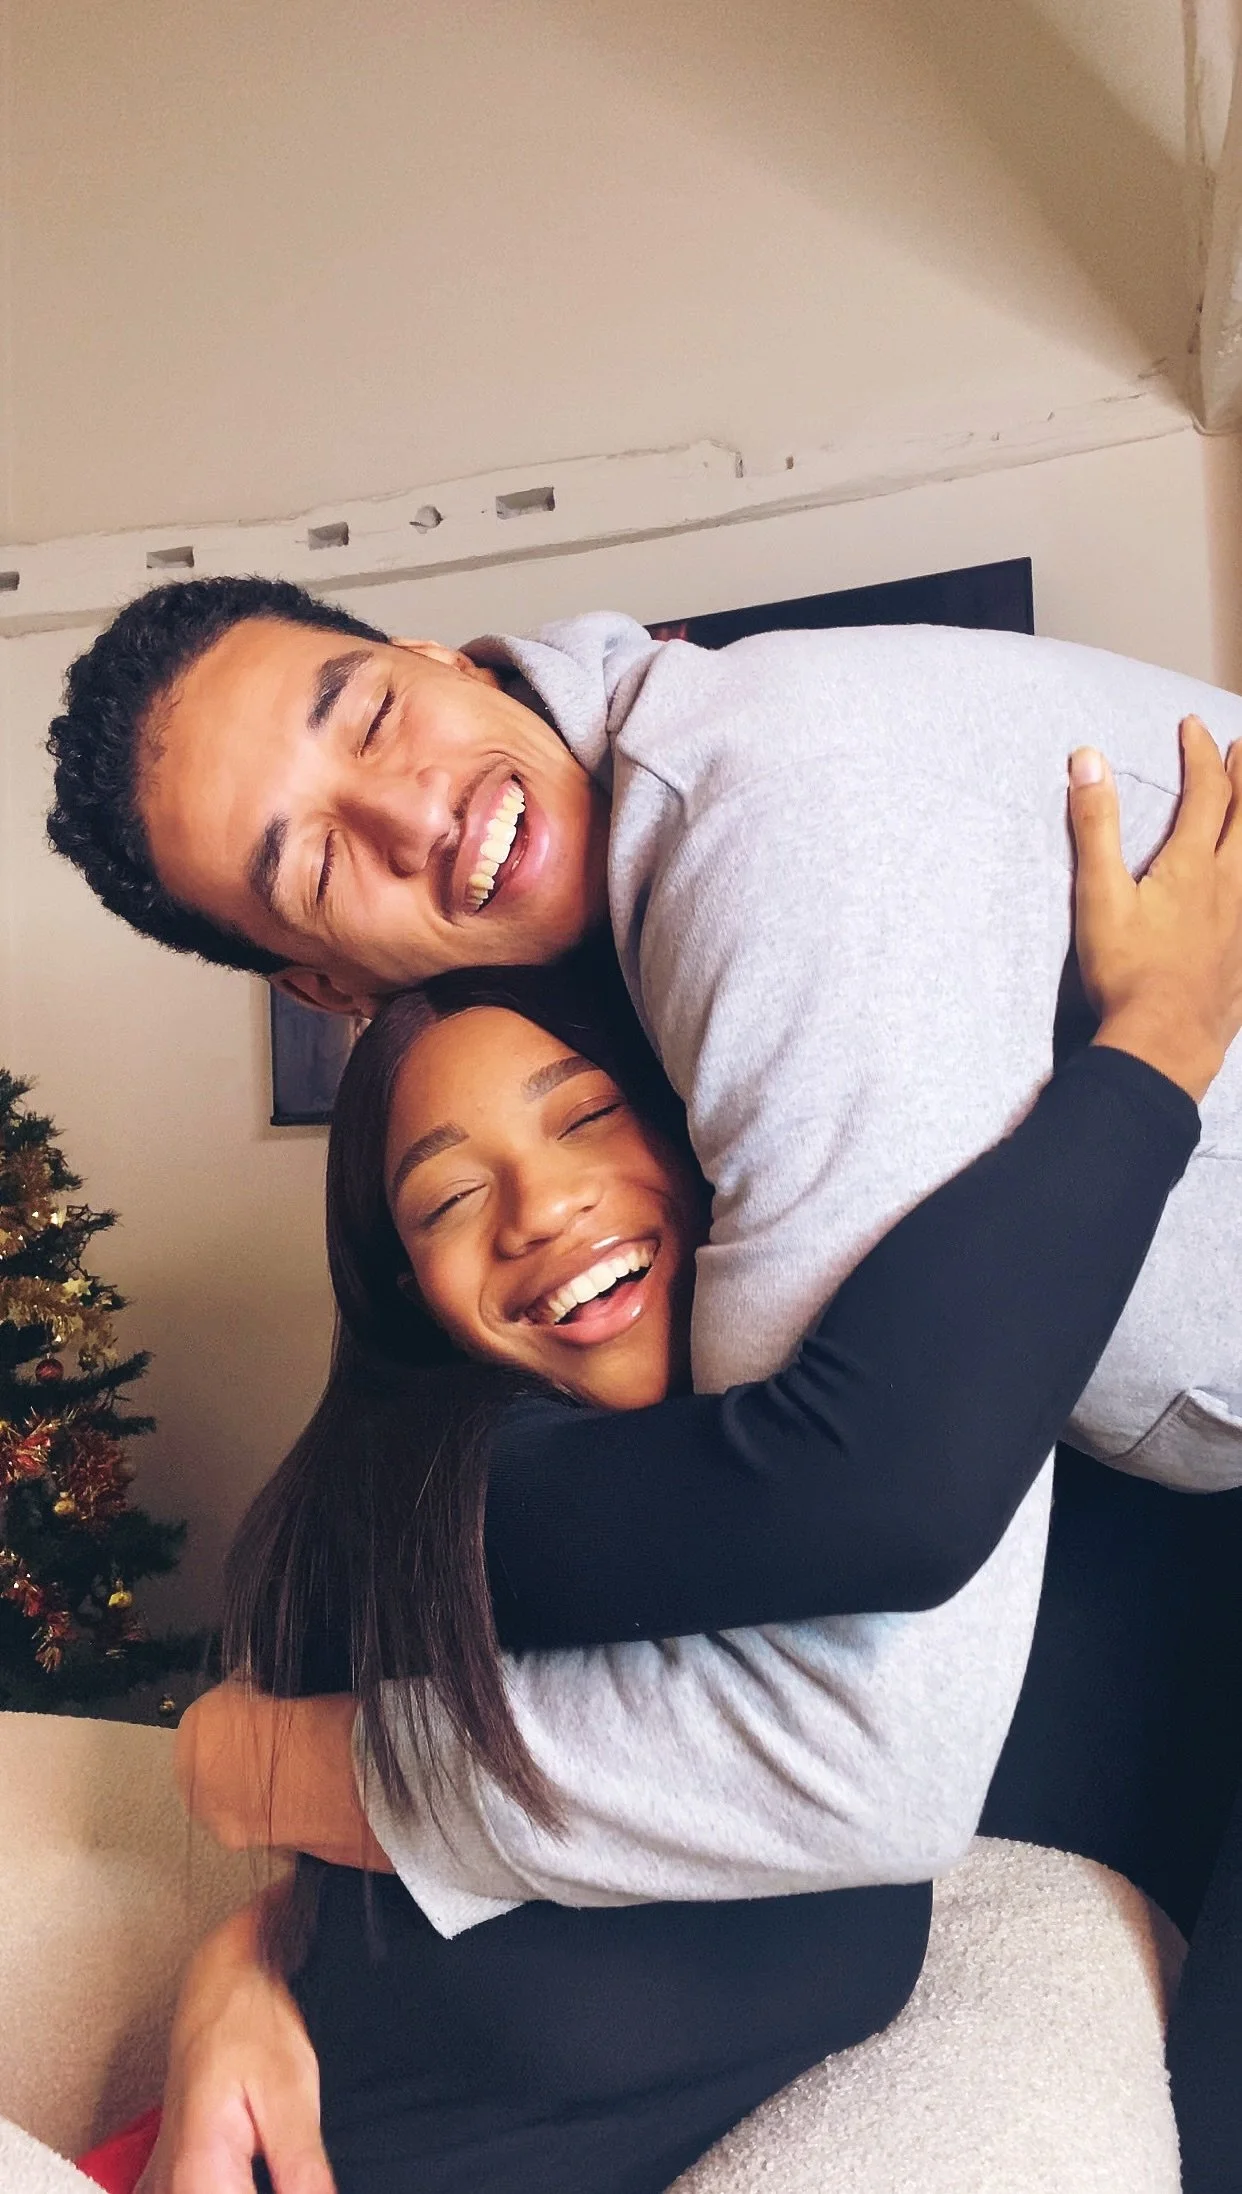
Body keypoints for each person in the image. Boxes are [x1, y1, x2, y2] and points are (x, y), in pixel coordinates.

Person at [45, 582, 1242, 1930]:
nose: (413, 811)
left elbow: (854, 1737)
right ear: (328, 987)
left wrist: (288, 1765)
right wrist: (254, 1951)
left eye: (372, 713)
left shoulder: (769, 825)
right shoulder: (619, 912)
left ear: (442, 657)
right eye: (316, 864)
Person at [143, 732, 1242, 2194]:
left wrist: (250, 1927)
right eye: (450, 1196)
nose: (542, 1205)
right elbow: (858, 1497)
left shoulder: (889, 1495)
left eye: (589, 1114)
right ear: (405, 1287)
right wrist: (1152, 1046)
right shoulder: (468, 1498)